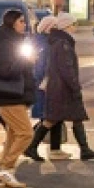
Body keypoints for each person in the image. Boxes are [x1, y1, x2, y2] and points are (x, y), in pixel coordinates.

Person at [26, 14, 94, 161]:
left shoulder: (59, 41)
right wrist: (75, 86)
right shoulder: (63, 43)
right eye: (73, 24)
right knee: (54, 119)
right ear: (67, 26)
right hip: (62, 88)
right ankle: (32, 147)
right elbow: (66, 68)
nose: (75, 27)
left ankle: (84, 149)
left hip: (59, 87)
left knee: (69, 118)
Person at [0, 10, 37, 188]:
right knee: (26, 133)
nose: (24, 25)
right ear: (11, 23)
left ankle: (5, 174)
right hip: (9, 97)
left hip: (14, 97)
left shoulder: (12, 43)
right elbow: (4, 71)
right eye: (21, 22)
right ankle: (7, 168)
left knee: (13, 134)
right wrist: (26, 61)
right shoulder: (6, 45)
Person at [25, 15, 67, 160]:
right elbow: (42, 67)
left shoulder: (46, 42)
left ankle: (55, 149)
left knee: (56, 117)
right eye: (54, 27)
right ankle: (31, 146)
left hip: (51, 84)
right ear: (48, 28)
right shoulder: (45, 43)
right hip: (47, 86)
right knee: (51, 117)